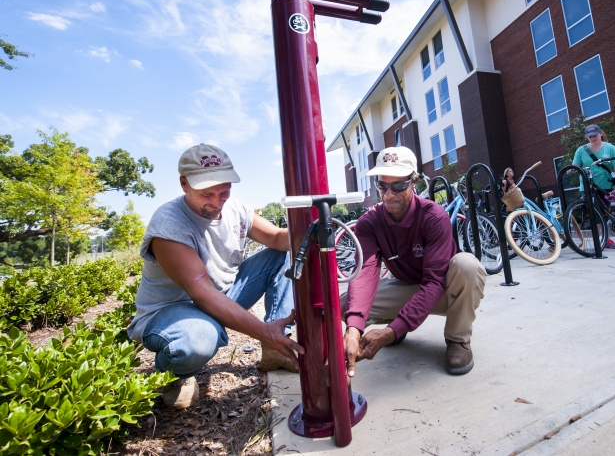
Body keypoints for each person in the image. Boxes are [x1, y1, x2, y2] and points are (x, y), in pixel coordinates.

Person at [127, 144, 304, 409]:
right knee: (196, 341)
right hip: (173, 311)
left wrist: (306, 222)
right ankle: (174, 375)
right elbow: (202, 291)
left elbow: (278, 240)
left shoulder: (237, 209)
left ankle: (274, 350)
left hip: (221, 295)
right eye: (206, 193)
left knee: (286, 253)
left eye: (224, 191)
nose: (217, 200)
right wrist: (262, 332)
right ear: (184, 184)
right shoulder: (169, 224)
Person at [340, 147, 487, 376]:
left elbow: (434, 282)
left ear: (414, 182)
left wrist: (390, 332)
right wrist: (354, 327)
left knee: (467, 266)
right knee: (346, 305)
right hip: (407, 286)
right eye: (382, 185)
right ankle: (396, 329)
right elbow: (365, 272)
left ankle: (458, 340)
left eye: (398, 185)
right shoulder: (368, 223)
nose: (388, 194)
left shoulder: (434, 217)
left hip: (444, 290)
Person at [572, 123, 615, 249]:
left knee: (604, 211)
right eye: (590, 136)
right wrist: (571, 169)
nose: (593, 138)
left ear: (600, 134)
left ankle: (606, 238)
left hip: (605, 186)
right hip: (587, 186)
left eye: (595, 135)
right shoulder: (581, 150)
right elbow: (575, 166)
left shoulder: (611, 148)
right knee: (595, 212)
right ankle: (603, 239)